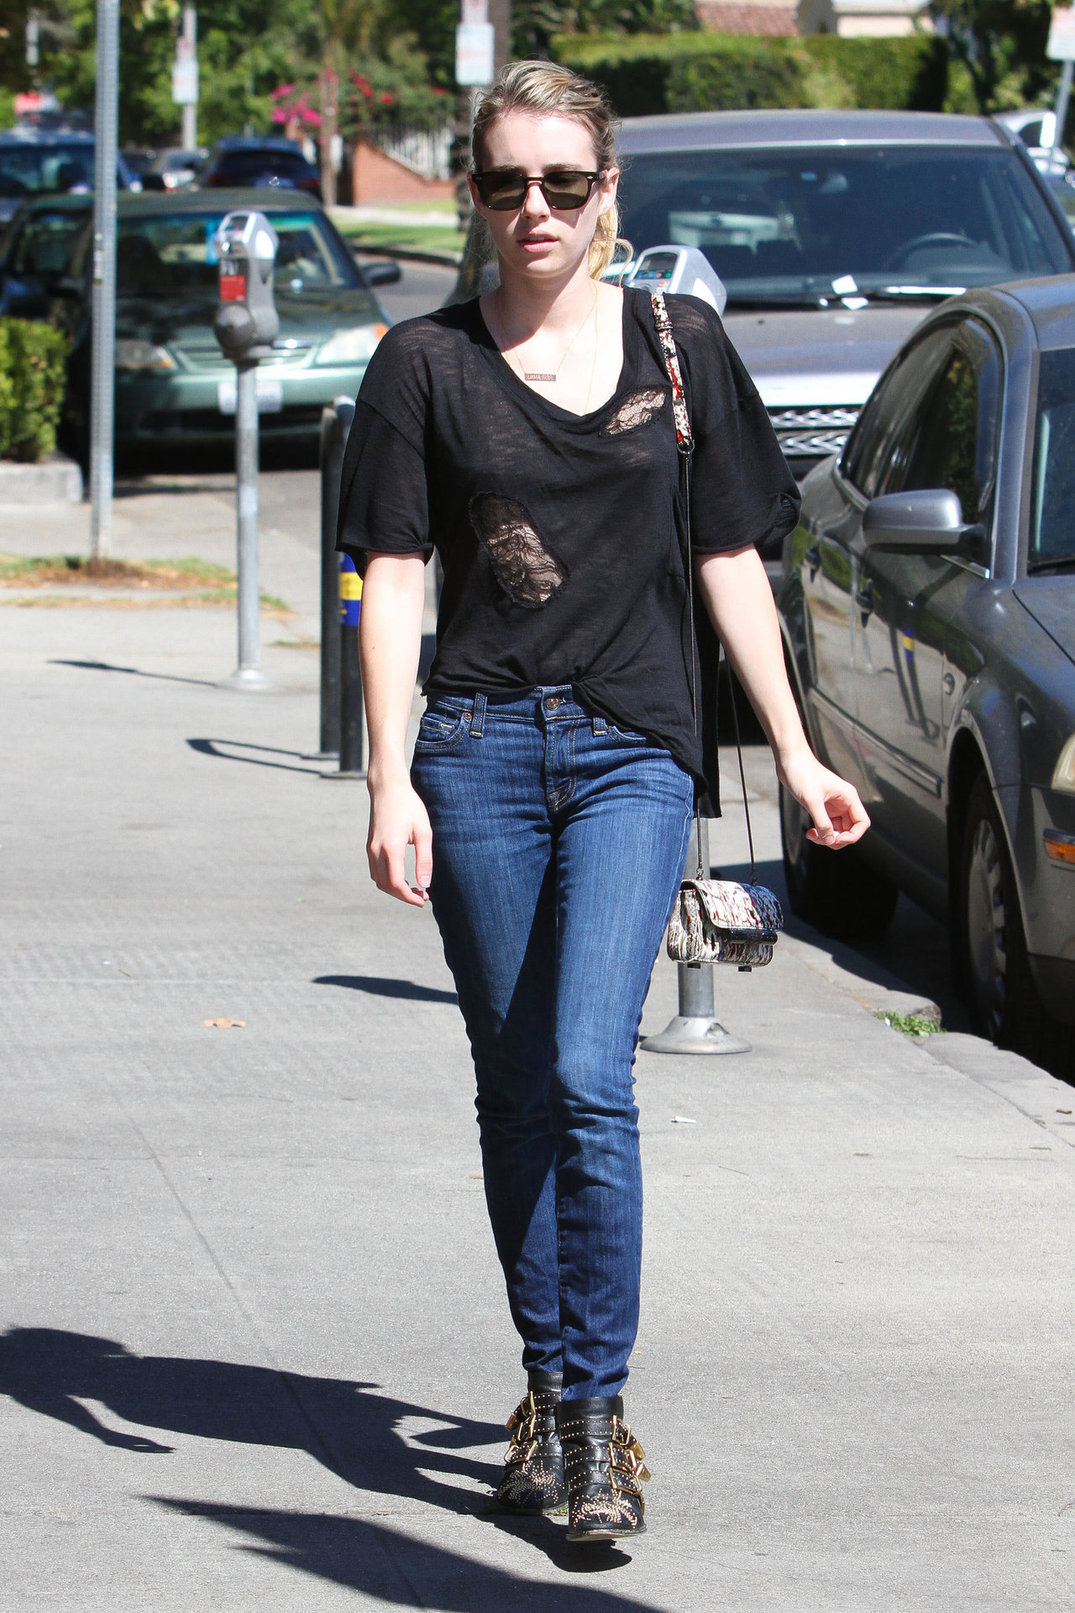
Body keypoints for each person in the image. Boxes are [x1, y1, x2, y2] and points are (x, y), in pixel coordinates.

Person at [337, 59, 869, 1544]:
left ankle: (589, 1414)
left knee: (586, 1069)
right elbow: (392, 581)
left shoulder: (679, 345)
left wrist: (799, 747)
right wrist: (390, 779)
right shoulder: (422, 368)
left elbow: (727, 562)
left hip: (637, 746)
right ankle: (548, 1389)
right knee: (514, 1093)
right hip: (479, 756)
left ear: (609, 191)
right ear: (475, 192)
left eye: (563, 183)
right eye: (506, 183)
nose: (535, 210)